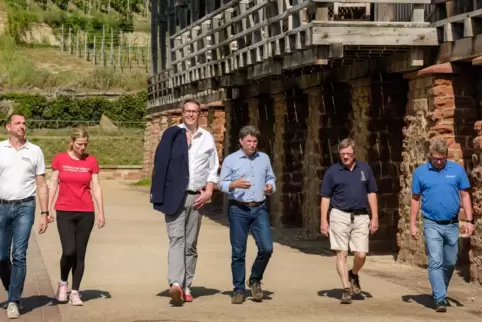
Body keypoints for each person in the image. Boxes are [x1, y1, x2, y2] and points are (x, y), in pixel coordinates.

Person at [150, 99, 219, 305]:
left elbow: (212, 167)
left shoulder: (207, 138)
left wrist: (209, 190)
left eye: (194, 111)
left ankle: (187, 285)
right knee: (176, 240)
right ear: (182, 113)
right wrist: (183, 146)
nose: (190, 114)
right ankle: (176, 284)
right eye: (187, 111)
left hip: (196, 196)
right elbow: (160, 162)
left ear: (200, 114)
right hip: (174, 195)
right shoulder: (172, 134)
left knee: (190, 244)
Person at [410, 138, 474, 312]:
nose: (439, 162)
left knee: (450, 261)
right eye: (435, 159)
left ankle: (440, 288)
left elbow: (465, 195)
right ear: (430, 156)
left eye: (442, 159)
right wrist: (413, 224)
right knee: (435, 260)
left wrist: (469, 220)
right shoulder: (420, 173)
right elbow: (415, 199)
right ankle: (440, 298)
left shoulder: (457, 170)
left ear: (447, 156)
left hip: (452, 224)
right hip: (431, 223)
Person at [217, 125, 276, 305]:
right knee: (238, 251)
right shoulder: (230, 160)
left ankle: (255, 278)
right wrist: (233, 184)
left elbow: (271, 178)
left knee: (267, 248)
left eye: (255, 141)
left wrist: (270, 187)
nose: (252, 144)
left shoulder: (264, 158)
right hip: (238, 209)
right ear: (241, 141)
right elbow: (221, 184)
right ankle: (239, 289)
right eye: (249, 141)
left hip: (259, 208)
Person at [47, 127, 105, 307]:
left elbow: (96, 186)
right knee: (68, 251)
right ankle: (63, 282)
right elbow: (54, 184)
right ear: (71, 142)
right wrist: (47, 209)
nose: (83, 148)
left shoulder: (91, 161)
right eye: (80, 144)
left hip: (86, 212)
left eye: (85, 144)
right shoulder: (60, 159)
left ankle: (75, 291)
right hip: (64, 210)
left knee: (80, 254)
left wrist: (101, 212)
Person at [0, 112, 49, 319]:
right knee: (1, 257)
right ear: (8, 127)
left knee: (19, 254)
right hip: (1, 207)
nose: (22, 126)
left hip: (25, 207)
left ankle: (13, 299)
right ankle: (13, 287)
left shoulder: (35, 151)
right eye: (18, 123)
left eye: (24, 123)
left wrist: (45, 213)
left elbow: (41, 184)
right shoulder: (0, 149)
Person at [320, 138, 379, 304]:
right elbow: (325, 197)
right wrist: (324, 221)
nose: (345, 156)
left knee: (361, 254)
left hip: (361, 216)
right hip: (339, 215)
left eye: (348, 153)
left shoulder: (365, 169)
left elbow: (372, 193)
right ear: (339, 154)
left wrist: (375, 216)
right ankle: (346, 288)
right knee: (342, 253)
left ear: (354, 154)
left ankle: (353, 273)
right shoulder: (332, 171)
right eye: (342, 153)